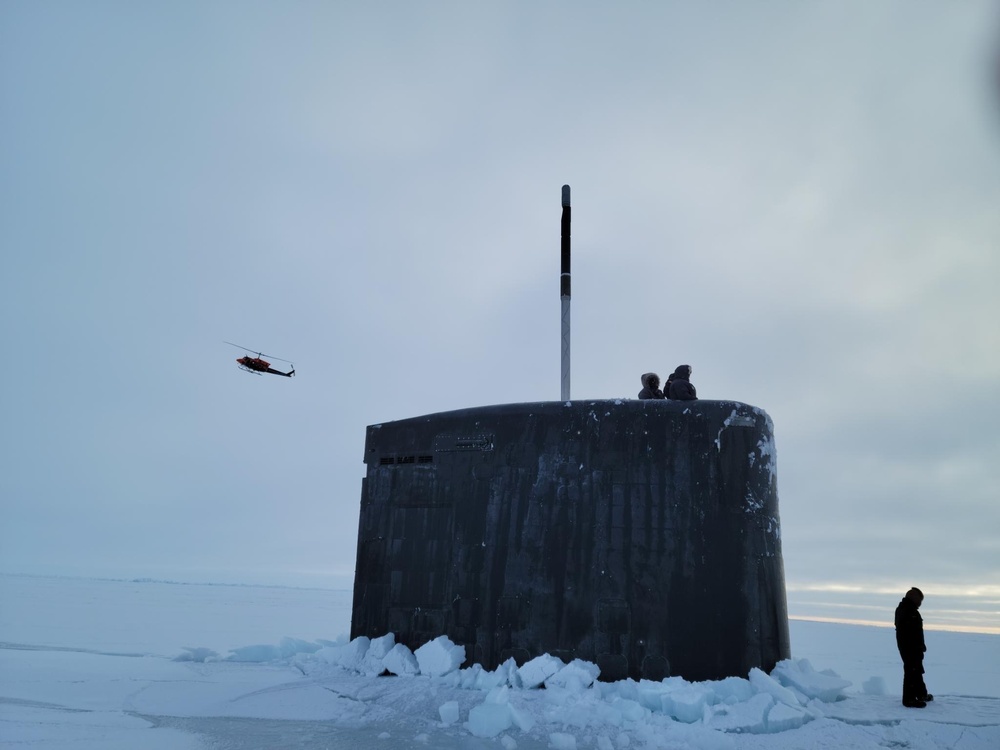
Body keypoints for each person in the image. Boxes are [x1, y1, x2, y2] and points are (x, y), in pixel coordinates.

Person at [895, 587, 933, 708]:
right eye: (920, 600)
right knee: (911, 671)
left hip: (913, 647)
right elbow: (908, 632)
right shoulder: (906, 610)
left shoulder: (908, 610)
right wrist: (916, 646)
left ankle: (921, 694)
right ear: (914, 598)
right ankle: (909, 699)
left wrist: (921, 645)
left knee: (916, 670)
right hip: (909, 648)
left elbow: (915, 632)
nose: (920, 603)